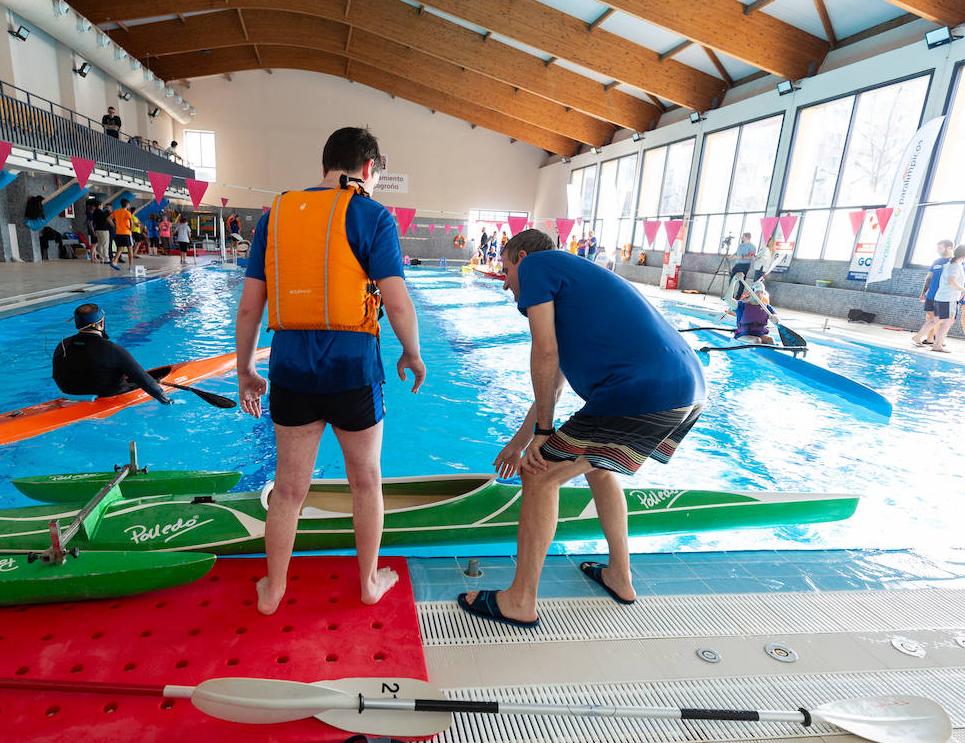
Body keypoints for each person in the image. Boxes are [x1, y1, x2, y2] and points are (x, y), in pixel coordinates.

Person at [459, 230, 706, 628]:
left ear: (521, 256)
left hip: (643, 388)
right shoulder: (576, 286)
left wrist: (541, 436)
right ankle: (619, 576)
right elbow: (552, 380)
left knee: (539, 475)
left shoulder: (539, 265)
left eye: (505, 269)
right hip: (686, 387)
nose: (504, 280)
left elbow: (543, 352)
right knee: (597, 466)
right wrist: (520, 440)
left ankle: (519, 601)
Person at [234, 127, 426, 616]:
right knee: (366, 482)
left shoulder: (274, 216)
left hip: (291, 367)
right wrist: (413, 353)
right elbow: (398, 302)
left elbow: (249, 309)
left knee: (289, 489)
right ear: (369, 169)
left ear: (324, 165)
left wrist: (244, 373)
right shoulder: (372, 214)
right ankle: (367, 582)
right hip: (353, 368)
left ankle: (273, 590)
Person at [52, 304, 173, 404]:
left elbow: (56, 375)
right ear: (102, 323)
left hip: (69, 394)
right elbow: (145, 380)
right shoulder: (112, 349)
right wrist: (166, 400)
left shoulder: (63, 344)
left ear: (77, 324)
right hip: (106, 395)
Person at [914, 244, 965, 353]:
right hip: (948, 298)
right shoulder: (955, 266)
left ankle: (918, 337)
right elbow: (951, 281)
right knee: (947, 322)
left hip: (943, 297)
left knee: (937, 320)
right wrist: (963, 289)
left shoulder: (950, 264)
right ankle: (937, 345)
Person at [912, 239, 955, 345]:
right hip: (932, 294)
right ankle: (930, 339)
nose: (938, 251)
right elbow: (929, 277)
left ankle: (938, 340)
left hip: (945, 296)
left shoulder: (955, 262)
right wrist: (923, 292)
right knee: (932, 317)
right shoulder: (936, 261)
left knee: (943, 319)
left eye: (940, 248)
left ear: (949, 248)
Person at [734, 277, 773, 344]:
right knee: (757, 340)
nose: (760, 295)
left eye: (762, 292)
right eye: (757, 292)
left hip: (760, 333)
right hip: (743, 334)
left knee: (770, 340)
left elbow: (774, 316)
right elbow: (728, 299)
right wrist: (733, 281)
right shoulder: (741, 305)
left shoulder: (767, 307)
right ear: (751, 293)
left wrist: (775, 318)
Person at [726, 232, 755, 303]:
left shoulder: (752, 247)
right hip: (737, 264)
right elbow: (736, 253)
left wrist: (742, 257)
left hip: (745, 265)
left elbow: (751, 256)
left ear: (747, 237)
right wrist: (730, 257)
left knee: (741, 282)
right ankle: (730, 296)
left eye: (743, 236)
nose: (742, 237)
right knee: (731, 280)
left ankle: (738, 298)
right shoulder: (740, 245)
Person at [109, 198, 136, 270]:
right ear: (127, 205)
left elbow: (108, 219)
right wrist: (131, 228)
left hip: (119, 232)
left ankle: (114, 262)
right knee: (130, 249)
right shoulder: (127, 212)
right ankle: (131, 266)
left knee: (120, 248)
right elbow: (131, 222)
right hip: (126, 233)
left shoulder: (116, 211)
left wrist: (114, 226)